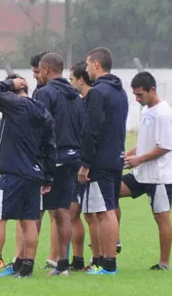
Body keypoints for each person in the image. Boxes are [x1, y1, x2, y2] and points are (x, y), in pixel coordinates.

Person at [0, 75, 56, 279]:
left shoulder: (15, 104)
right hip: (34, 174)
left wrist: (9, 84)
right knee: (29, 221)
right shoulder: (43, 112)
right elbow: (50, 147)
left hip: (13, 174)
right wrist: (48, 177)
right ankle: (26, 269)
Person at [32, 53, 85, 276]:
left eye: (39, 71)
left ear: (46, 69)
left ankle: (23, 263)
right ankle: (63, 264)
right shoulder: (76, 95)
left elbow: (38, 127)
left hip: (52, 159)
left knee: (34, 211)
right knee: (63, 211)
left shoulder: (44, 93)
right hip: (73, 157)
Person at [77, 47, 129, 275]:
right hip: (116, 156)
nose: (87, 68)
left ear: (96, 65)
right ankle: (101, 261)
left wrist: (85, 163)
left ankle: (109, 264)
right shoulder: (120, 91)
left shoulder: (98, 93)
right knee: (105, 209)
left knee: (105, 210)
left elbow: (92, 130)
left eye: (88, 64)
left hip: (100, 160)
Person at [120, 71, 172, 271]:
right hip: (141, 173)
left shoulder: (164, 113)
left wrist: (139, 159)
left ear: (152, 90)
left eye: (140, 95)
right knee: (110, 191)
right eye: (135, 95)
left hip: (159, 177)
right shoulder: (146, 111)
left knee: (161, 217)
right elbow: (145, 142)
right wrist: (127, 154)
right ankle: (115, 239)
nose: (137, 99)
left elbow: (164, 147)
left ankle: (164, 263)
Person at [3, 51, 49, 272]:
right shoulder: (40, 96)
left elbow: (48, 138)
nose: (34, 75)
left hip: (25, 168)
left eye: (37, 71)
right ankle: (24, 262)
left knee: (13, 218)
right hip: (37, 168)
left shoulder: (38, 99)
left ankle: (2, 264)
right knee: (31, 218)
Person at [68, 60, 96, 272]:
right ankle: (78, 260)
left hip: (86, 164)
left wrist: (85, 164)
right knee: (75, 213)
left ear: (80, 79)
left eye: (71, 79)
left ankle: (99, 259)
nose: (70, 84)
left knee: (91, 213)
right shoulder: (79, 102)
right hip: (79, 162)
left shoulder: (89, 102)